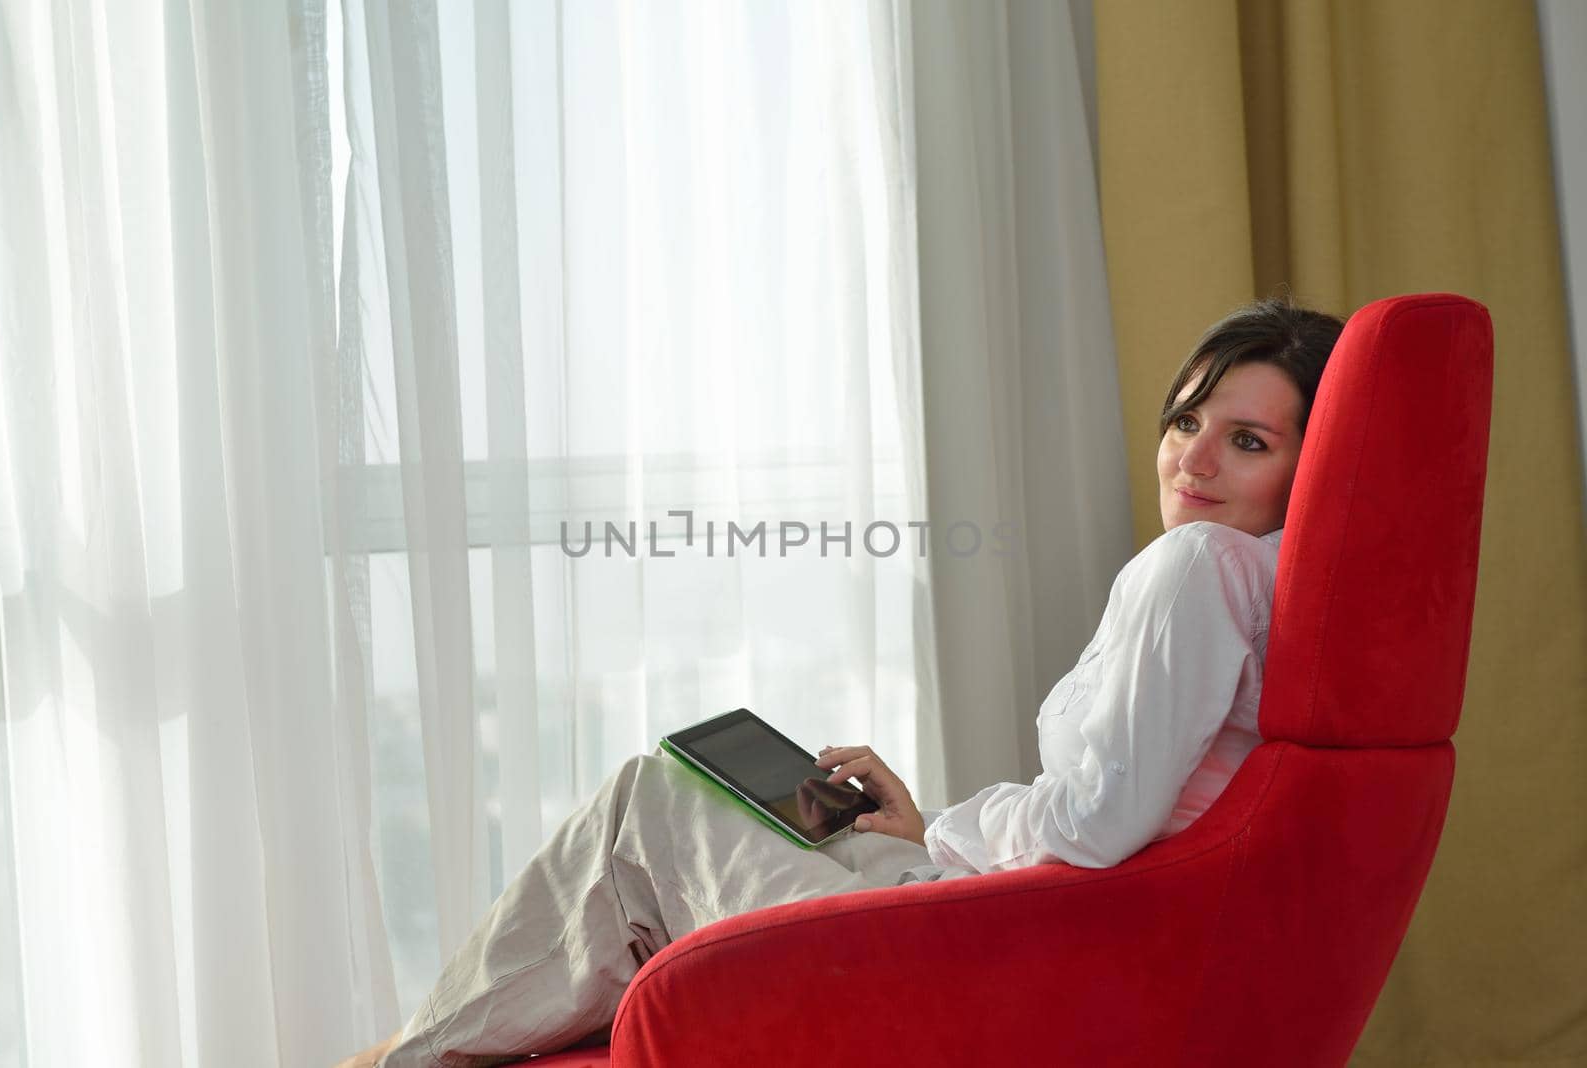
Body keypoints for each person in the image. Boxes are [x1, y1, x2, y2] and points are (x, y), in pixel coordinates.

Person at [337, 297, 1345, 1068]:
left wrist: (944, 843)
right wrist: (931, 827)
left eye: (1247, 441)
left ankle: (414, 1055)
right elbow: (1134, 812)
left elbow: (1098, 827)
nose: (1192, 459)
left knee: (645, 806)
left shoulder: (1195, 569)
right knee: (687, 817)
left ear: (1311, 469)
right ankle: (437, 1048)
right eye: (1186, 420)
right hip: (1023, 922)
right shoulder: (1280, 582)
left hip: (987, 948)